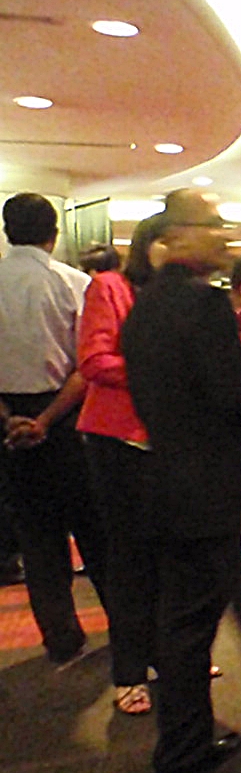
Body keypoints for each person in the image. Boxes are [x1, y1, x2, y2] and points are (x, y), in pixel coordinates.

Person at [121, 190, 241, 773]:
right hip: (223, 492)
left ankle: (181, 750)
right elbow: (233, 399)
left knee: (183, 630)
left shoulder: (143, 308)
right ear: (174, 236)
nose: (224, 234)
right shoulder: (203, 306)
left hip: (168, 489)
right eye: (213, 225)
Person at [0, 193, 113, 667]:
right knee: (96, 531)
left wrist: (10, 419)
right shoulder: (75, 283)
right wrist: (46, 420)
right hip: (68, 416)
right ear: (55, 232)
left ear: (7, 231)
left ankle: (61, 639)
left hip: (8, 421)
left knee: (37, 537)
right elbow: (87, 366)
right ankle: (126, 628)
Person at [76, 215, 161, 715]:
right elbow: (93, 360)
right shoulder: (110, 287)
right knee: (129, 560)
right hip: (117, 439)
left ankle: (166, 655)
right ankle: (129, 672)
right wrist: (160, 371)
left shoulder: (180, 297)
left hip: (163, 441)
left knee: (167, 558)